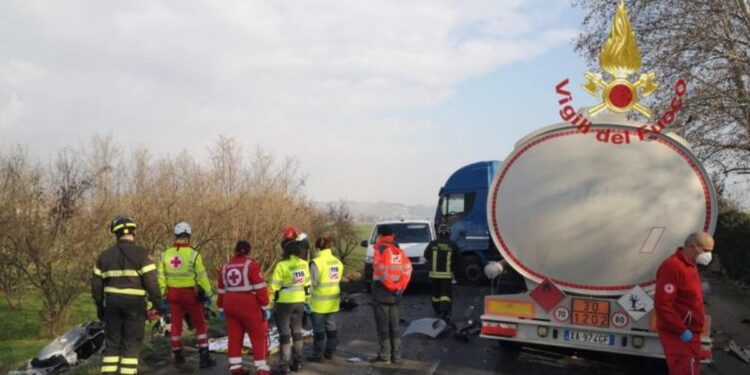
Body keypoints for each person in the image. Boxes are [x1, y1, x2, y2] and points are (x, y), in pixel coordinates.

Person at [92, 215, 162, 375]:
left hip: (112, 306)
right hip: (135, 307)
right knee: (131, 346)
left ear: (116, 234)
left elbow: (96, 285)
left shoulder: (104, 256)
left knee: (112, 345)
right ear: (134, 231)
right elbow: (152, 283)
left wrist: (99, 306)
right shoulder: (142, 254)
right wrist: (159, 305)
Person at [654, 231, 715, 375]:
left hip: (690, 332)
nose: (709, 255)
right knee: (684, 370)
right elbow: (663, 305)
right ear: (693, 246)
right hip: (679, 333)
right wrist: (682, 331)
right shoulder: (673, 266)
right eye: (706, 250)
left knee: (691, 367)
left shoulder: (690, 264)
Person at [157, 221, 215, 368]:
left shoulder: (165, 255)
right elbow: (202, 276)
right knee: (200, 325)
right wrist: (208, 293)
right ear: (188, 236)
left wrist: (163, 293)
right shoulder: (193, 255)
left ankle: (177, 355)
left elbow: (161, 277)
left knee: (176, 325)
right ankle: (204, 357)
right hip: (190, 294)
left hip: (173, 294)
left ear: (175, 236)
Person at [217, 240, 272, 375]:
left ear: (235, 250)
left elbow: (220, 290)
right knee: (258, 337)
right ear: (248, 251)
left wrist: (220, 307)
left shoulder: (225, 267)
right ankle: (261, 369)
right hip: (248, 305)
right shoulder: (251, 265)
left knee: (234, 336)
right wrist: (265, 306)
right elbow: (260, 288)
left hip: (229, 304)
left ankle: (235, 368)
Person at [269, 227, 311, 373]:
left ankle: (284, 365)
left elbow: (273, 286)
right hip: (300, 303)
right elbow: (307, 285)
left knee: (285, 334)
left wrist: (268, 304)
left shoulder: (281, 265)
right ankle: (298, 362)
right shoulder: (304, 264)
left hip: (284, 304)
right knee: (297, 332)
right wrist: (308, 302)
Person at [370, 225, 412, 364]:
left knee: (383, 326)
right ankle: (396, 355)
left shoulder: (380, 249)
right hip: (396, 294)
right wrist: (400, 287)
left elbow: (380, 271)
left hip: (382, 293)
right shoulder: (399, 251)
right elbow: (408, 269)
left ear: (381, 236)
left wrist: (391, 286)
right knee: (394, 326)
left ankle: (385, 355)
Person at [306, 235, 344, 362]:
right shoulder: (337, 262)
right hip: (333, 301)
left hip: (318, 302)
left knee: (318, 329)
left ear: (318, 248)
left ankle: (318, 354)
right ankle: (330, 350)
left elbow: (312, 283)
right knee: (331, 325)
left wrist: (306, 300)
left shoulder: (316, 262)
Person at [424, 224, 460, 321]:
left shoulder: (432, 244)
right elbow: (457, 259)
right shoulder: (453, 245)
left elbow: (426, 255)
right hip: (447, 276)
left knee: (436, 295)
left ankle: (437, 309)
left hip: (434, 275)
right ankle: (445, 312)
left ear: (439, 232)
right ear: (449, 233)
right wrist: (455, 271)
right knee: (445, 295)